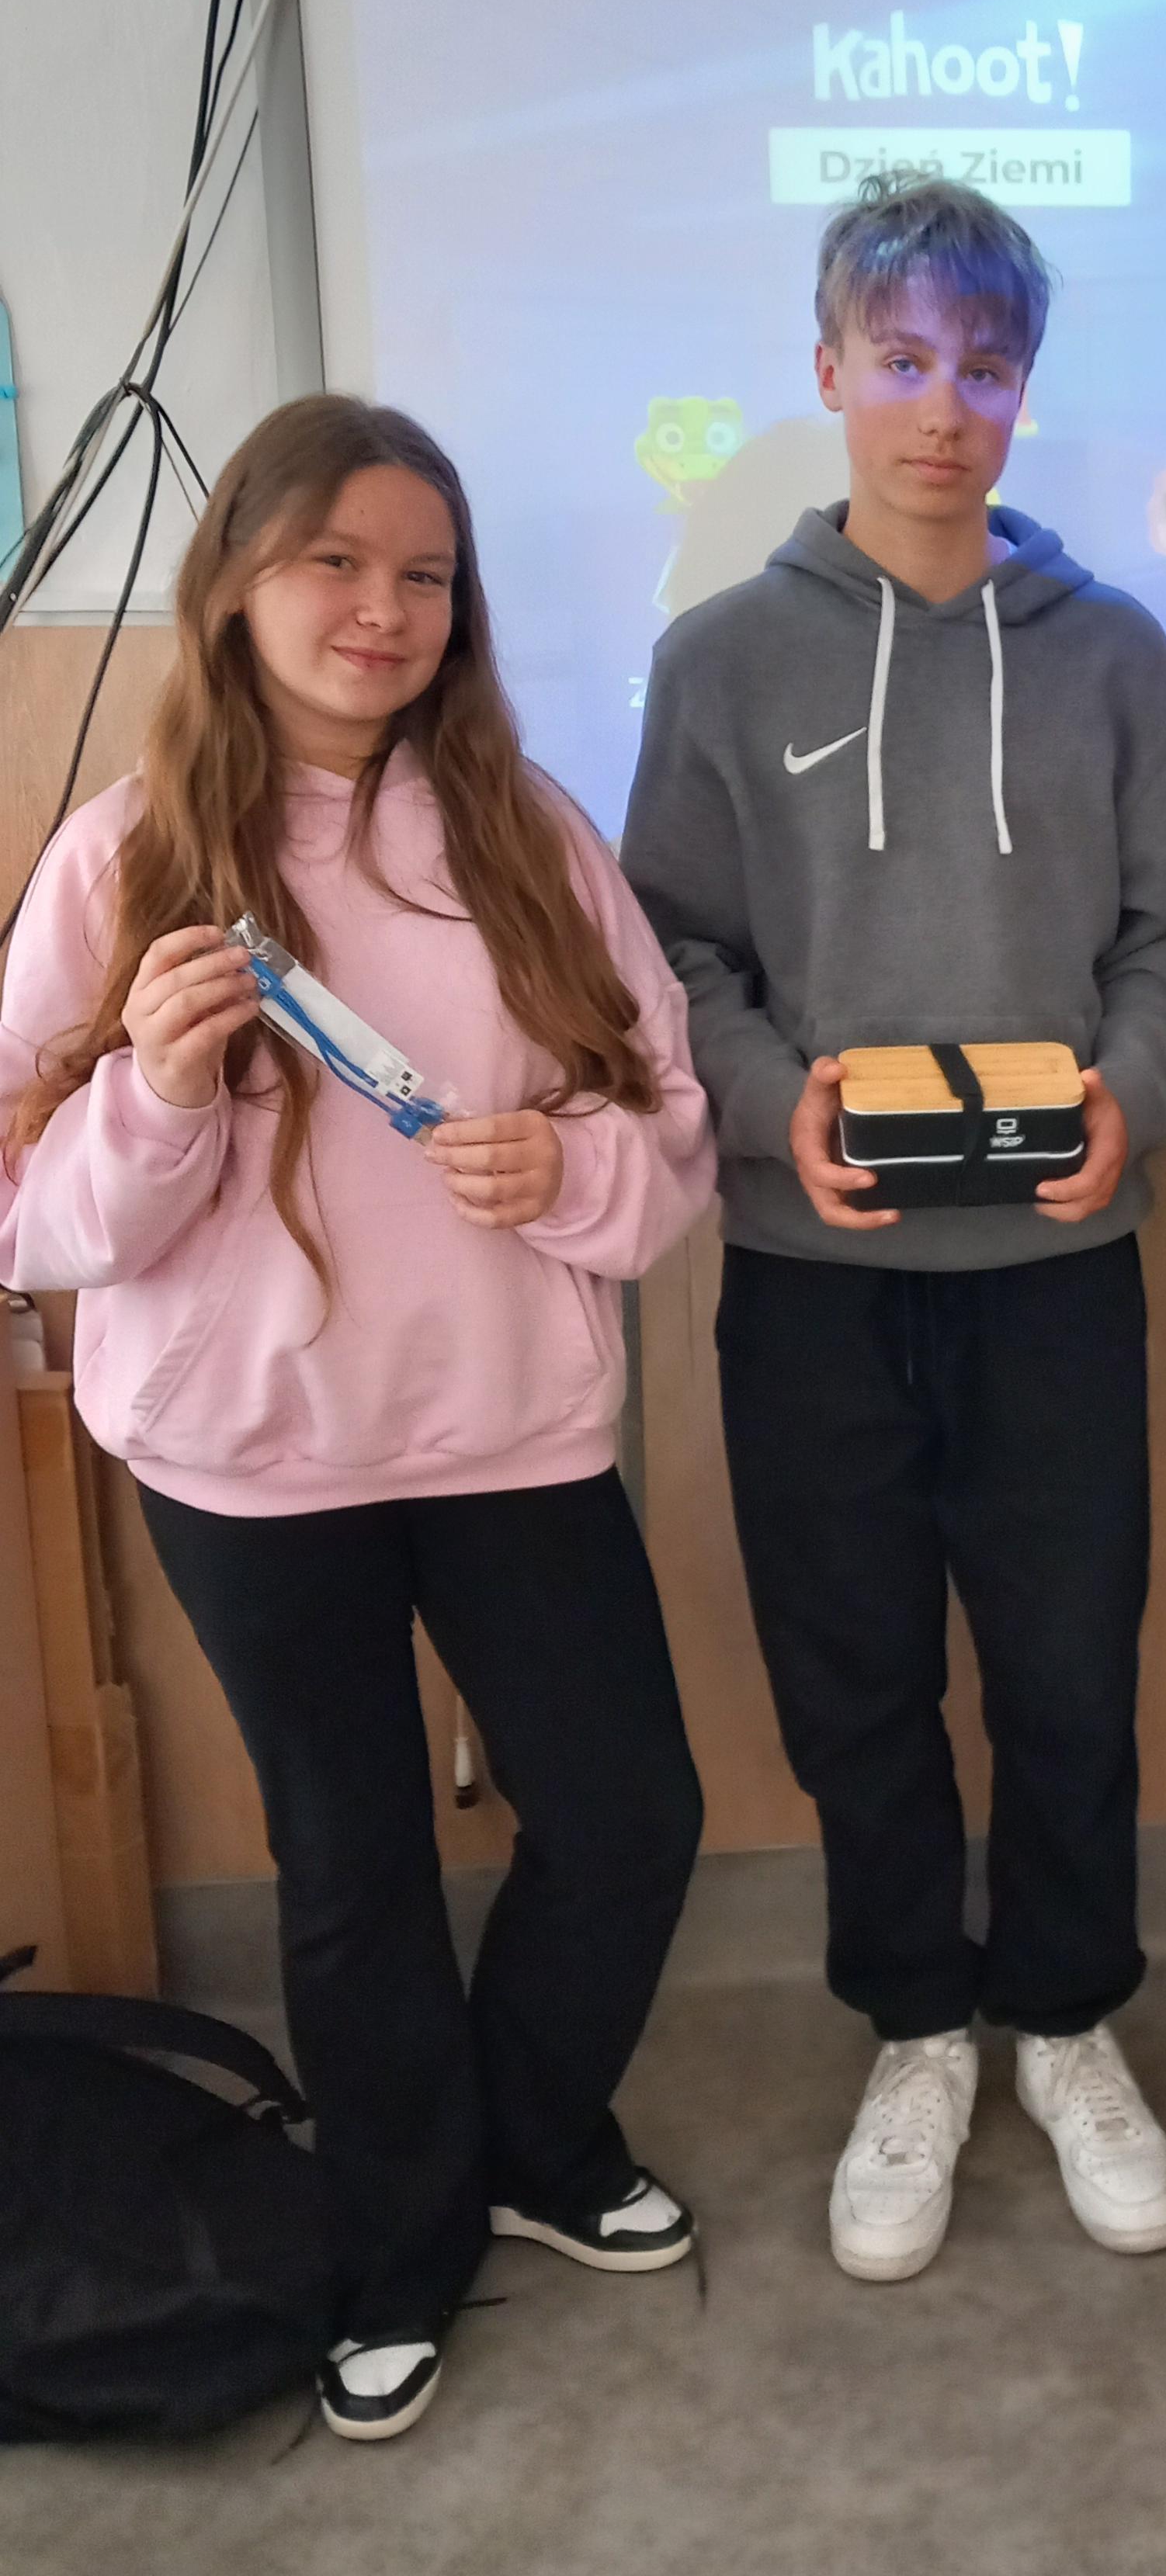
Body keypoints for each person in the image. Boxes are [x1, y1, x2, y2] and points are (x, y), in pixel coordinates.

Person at [0, 398, 715, 2441]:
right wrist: (155, 1096)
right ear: (236, 579)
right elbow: (33, 1220)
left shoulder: (528, 833)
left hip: (511, 1432)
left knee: (628, 1816)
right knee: (353, 1865)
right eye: (334, 561)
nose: (382, 609)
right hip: (248, 1461)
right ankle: (402, 2241)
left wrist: (569, 1171)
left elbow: (666, 1125)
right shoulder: (120, 858)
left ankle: (533, 2142)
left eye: (424, 575)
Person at [623, 174, 1166, 2284]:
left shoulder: (1117, 659)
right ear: (827, 373)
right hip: (811, 1283)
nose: (941, 406)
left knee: (1067, 1675)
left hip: (1055, 1274)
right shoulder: (721, 660)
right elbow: (671, 947)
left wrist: (1132, 1090)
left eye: (982, 366)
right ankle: (915, 2028)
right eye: (900, 360)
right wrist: (773, 1104)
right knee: (856, 1680)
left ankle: (1061, 2018)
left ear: (1023, 391)